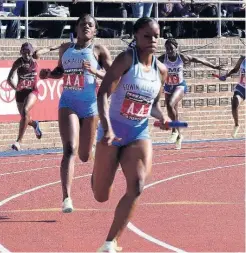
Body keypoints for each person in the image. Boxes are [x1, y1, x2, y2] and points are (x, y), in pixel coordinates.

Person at [92, 17, 171, 252]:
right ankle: (97, 175)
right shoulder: (126, 60)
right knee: (100, 195)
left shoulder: (161, 70)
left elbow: (154, 105)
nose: (153, 40)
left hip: (139, 132)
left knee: (137, 186)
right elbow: (103, 94)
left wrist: (163, 117)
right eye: (147, 36)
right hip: (113, 130)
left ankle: (110, 242)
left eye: (156, 36)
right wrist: (107, 127)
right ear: (136, 35)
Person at [39, 13, 112, 213]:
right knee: (69, 149)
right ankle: (66, 198)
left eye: (90, 25)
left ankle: (92, 154)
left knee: (84, 156)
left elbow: (114, 76)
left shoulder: (98, 50)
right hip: (68, 102)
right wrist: (48, 75)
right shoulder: (66, 48)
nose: (86, 27)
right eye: (83, 24)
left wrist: (97, 72)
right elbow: (59, 71)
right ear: (77, 28)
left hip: (89, 106)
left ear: (95, 30)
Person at [157, 38, 224, 149]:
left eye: (171, 48)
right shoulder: (162, 58)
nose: (169, 50)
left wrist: (214, 66)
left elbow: (199, 60)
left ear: (176, 47)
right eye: (167, 48)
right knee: (173, 112)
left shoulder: (181, 57)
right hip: (168, 86)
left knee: (170, 104)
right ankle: (179, 136)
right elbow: (150, 63)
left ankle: (174, 131)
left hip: (180, 86)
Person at [6, 42, 61, 151]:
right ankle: (35, 124)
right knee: (25, 117)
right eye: (24, 53)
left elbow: (49, 48)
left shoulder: (36, 56)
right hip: (21, 92)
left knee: (26, 110)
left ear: (31, 52)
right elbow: (9, 78)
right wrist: (15, 88)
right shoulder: (18, 62)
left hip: (33, 90)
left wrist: (60, 45)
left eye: (28, 53)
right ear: (20, 52)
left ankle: (18, 141)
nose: (27, 55)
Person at [218, 55, 245, 138]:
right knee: (235, 103)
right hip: (242, 87)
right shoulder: (243, 59)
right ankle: (236, 125)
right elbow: (235, 70)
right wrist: (225, 76)